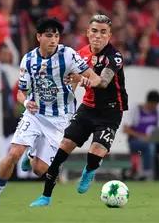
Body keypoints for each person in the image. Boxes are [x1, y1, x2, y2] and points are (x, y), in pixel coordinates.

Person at [0, 17, 101, 208]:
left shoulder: (68, 55)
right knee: (13, 153)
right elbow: (21, 93)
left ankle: (31, 155)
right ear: (38, 37)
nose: (54, 39)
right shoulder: (28, 60)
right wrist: (27, 101)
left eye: (56, 35)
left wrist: (86, 81)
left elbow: (94, 78)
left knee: (40, 170)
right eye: (49, 35)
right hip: (36, 114)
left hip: (61, 119)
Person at [30, 14, 128, 207]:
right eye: (94, 31)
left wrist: (83, 79)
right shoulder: (80, 54)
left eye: (103, 32)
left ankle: (90, 169)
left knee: (95, 151)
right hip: (88, 109)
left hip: (110, 112)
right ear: (87, 33)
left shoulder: (114, 57)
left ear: (109, 35)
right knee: (63, 149)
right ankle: (45, 196)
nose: (98, 36)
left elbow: (103, 81)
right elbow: (70, 84)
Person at [123, 90, 159, 181]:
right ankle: (147, 173)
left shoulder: (157, 112)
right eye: (153, 104)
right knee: (149, 145)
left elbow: (156, 129)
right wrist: (142, 136)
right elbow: (125, 130)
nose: (155, 107)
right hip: (135, 142)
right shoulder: (136, 109)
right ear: (148, 102)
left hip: (152, 141)